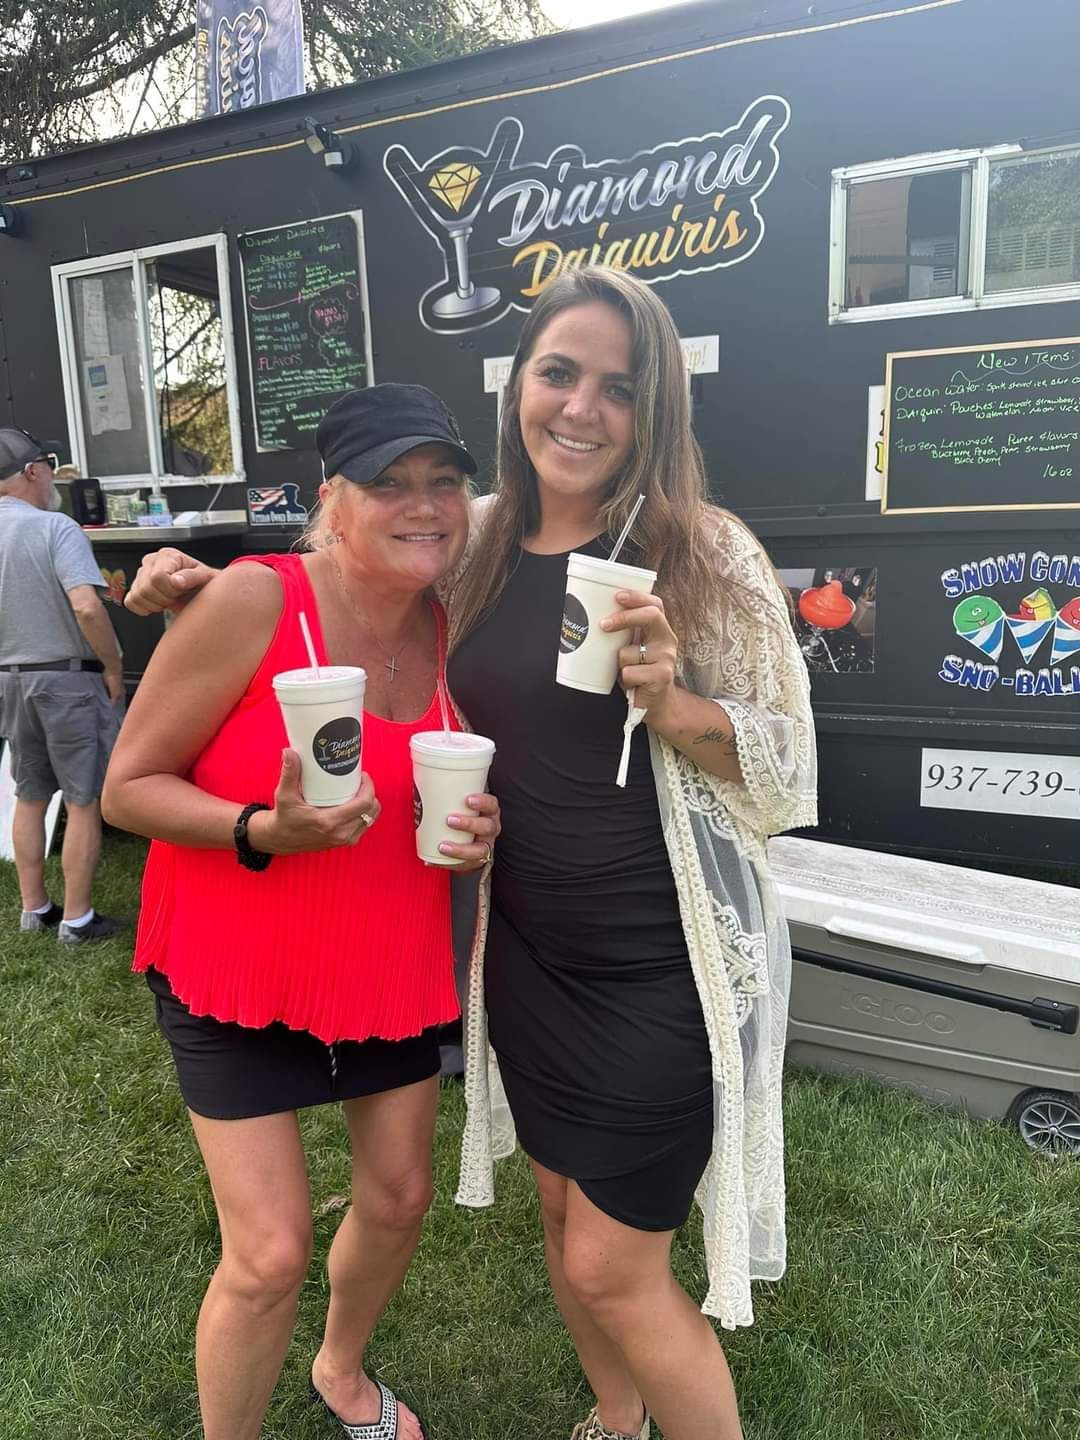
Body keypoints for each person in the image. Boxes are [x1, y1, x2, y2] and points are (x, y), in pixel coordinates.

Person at [126, 269, 816, 1440]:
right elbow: (351, 559)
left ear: (657, 412)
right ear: (518, 391)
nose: (583, 408)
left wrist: (679, 704)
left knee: (611, 1266)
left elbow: (793, 776)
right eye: (560, 373)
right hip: (531, 960)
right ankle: (615, 1415)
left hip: (658, 970)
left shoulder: (705, 553)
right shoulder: (480, 542)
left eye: (621, 386)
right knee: (561, 1220)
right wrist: (204, 585)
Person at [102, 385, 501, 1440]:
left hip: (389, 964)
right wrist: (255, 829)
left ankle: (341, 1370)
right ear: (334, 497)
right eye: (390, 484)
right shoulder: (254, 600)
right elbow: (128, 787)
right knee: (269, 1252)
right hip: (237, 962)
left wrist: (480, 828)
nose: (423, 506)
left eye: (444, 482)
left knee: (400, 1197)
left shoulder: (458, 620)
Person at [0, 427, 124, 943]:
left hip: (9, 682)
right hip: (67, 680)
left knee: (29, 797)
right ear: (32, 472)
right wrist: (113, 665)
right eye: (48, 466)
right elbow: (87, 605)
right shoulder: (55, 527)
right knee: (81, 800)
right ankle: (76, 920)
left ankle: (35, 909)